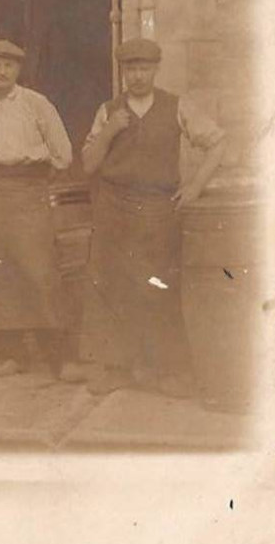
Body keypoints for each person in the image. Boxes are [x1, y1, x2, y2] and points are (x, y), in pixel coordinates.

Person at [81, 37, 227, 398]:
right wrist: (112, 129)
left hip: (159, 209)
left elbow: (217, 143)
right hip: (113, 207)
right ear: (123, 71)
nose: (138, 76)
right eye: (131, 68)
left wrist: (194, 187)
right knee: (111, 286)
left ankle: (168, 371)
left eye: (144, 68)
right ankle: (116, 368)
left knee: (159, 287)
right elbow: (88, 164)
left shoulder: (178, 106)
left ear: (155, 69)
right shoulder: (108, 111)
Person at [0, 39, 84, 382]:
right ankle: (9, 353)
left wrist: (35, 178)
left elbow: (62, 154)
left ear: (18, 69)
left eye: (9, 65)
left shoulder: (36, 104)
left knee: (40, 271)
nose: (2, 71)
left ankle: (59, 358)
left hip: (31, 190)